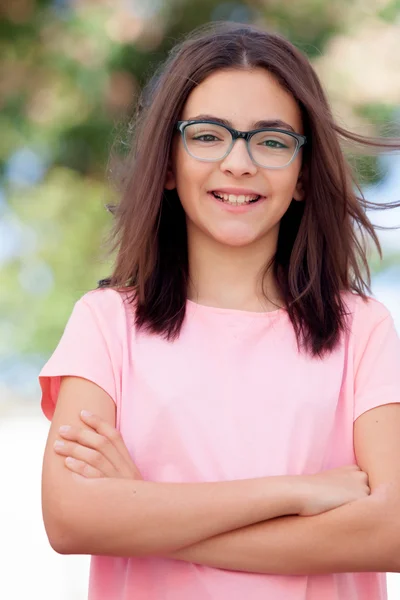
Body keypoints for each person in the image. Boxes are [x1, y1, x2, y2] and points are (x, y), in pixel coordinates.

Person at [39, 21, 400, 600]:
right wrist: (295, 492)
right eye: (208, 135)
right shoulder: (104, 325)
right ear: (166, 163)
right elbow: (71, 520)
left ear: (303, 175)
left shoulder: (365, 331)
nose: (239, 163)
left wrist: (146, 515)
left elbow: (392, 530)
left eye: (273, 141)